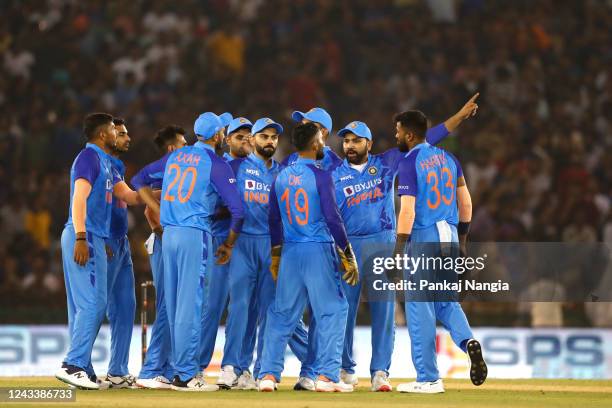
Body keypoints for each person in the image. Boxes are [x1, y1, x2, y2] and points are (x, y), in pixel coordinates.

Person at [331, 95, 479, 390]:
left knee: (387, 309)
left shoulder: (389, 162)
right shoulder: (334, 171)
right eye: (346, 140)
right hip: (350, 246)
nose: (349, 145)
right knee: (343, 309)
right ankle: (345, 367)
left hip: (385, 243)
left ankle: (380, 372)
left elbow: (428, 137)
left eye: (356, 140)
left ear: (369, 144)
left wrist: (458, 118)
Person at [257, 122, 358, 393]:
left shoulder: (281, 176)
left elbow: (273, 219)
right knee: (334, 310)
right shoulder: (321, 176)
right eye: (321, 142)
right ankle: (327, 376)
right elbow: (332, 217)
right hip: (318, 250)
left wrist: (276, 255)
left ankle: (268, 375)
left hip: (290, 251)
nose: (324, 145)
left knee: (281, 314)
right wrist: (347, 253)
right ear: (315, 145)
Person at [394, 110, 487, 393]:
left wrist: (398, 251)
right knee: (446, 302)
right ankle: (468, 341)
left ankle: (428, 378)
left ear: (409, 135)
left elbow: (408, 210)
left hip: (423, 237)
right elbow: (466, 203)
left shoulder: (409, 163)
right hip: (448, 236)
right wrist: (463, 244)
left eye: (398, 131)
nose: (395, 135)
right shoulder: (450, 159)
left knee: (419, 307)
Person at [216, 118, 309, 390]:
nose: (270, 141)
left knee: (270, 311)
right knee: (240, 307)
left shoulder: (283, 173)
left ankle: (259, 371)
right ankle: (232, 367)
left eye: (274, 137)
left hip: (272, 247)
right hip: (243, 244)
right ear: (252, 140)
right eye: (264, 136)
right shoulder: (235, 167)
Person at [55, 113, 144, 390]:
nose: (121, 135)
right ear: (104, 134)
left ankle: (86, 370)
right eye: (115, 131)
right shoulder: (88, 158)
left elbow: (128, 196)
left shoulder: (106, 163)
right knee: (93, 303)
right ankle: (73, 365)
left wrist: (166, 191)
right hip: (83, 235)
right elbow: (78, 198)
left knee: (91, 304)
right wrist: (82, 236)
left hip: (95, 237)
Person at [160, 112, 243, 391]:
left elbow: (148, 181)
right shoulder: (216, 162)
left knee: (173, 305)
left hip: (168, 234)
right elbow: (238, 211)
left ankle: (176, 368)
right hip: (194, 233)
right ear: (218, 135)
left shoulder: (175, 156)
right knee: (191, 305)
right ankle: (186, 375)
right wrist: (229, 244)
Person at [199, 116, 253, 386]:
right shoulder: (219, 165)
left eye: (248, 136)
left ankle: (234, 367)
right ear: (227, 139)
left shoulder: (262, 168)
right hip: (221, 237)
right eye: (239, 136)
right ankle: (196, 366)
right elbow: (211, 204)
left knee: (242, 306)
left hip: (250, 242)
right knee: (212, 306)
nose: (245, 141)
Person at [133, 125, 187, 389]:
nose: (188, 148)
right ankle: (152, 369)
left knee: (173, 305)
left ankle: (165, 368)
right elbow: (147, 209)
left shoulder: (172, 172)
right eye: (183, 143)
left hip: (165, 241)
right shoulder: (168, 167)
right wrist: (161, 231)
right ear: (172, 148)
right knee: (168, 305)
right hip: (163, 242)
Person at [103, 117, 137, 388]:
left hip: (121, 242)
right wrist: (172, 192)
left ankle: (117, 370)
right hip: (106, 243)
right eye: (122, 134)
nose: (127, 138)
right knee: (95, 308)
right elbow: (129, 197)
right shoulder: (101, 164)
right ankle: (79, 365)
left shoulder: (117, 165)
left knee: (126, 307)